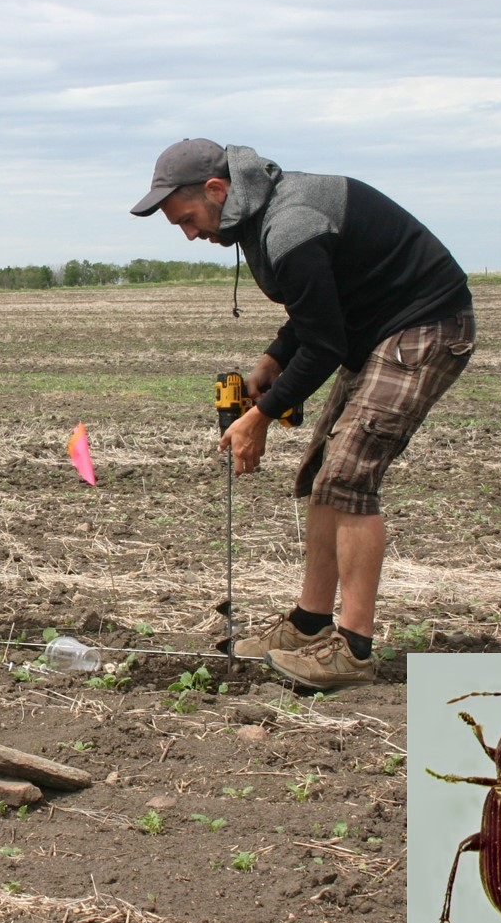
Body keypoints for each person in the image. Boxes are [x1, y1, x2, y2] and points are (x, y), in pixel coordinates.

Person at [131, 139, 475, 691]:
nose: (191, 234)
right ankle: (308, 626)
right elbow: (314, 313)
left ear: (218, 191)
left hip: (425, 326)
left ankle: (354, 650)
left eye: (189, 220)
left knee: (349, 478)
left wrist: (259, 416)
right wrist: (270, 363)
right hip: (375, 332)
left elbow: (325, 343)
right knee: (324, 478)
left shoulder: (290, 223)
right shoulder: (261, 216)